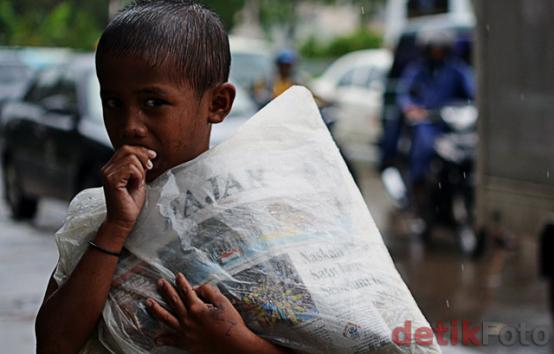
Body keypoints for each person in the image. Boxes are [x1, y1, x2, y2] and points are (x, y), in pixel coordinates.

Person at [35, 2, 291, 353]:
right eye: (113, 103)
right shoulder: (99, 215)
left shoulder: (259, 216)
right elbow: (53, 345)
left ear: (218, 103)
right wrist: (116, 228)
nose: (130, 126)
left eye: (153, 103)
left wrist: (233, 343)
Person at [396, 30, 475, 184]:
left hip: (450, 123)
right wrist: (411, 108)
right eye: (434, 49)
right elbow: (405, 94)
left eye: (441, 49)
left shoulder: (456, 69)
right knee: (423, 149)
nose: (437, 53)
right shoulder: (417, 70)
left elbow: (471, 90)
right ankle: (417, 185)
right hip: (426, 122)